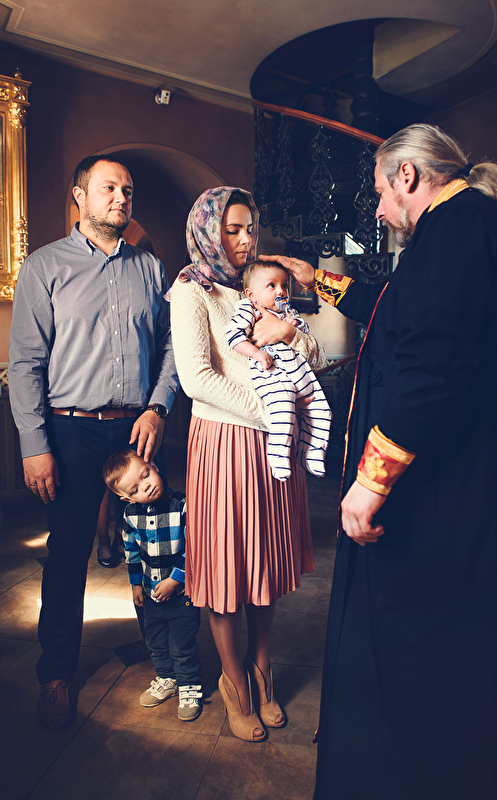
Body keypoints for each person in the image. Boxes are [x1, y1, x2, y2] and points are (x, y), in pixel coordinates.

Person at [261, 124, 497, 799]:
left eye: (381, 192)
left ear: (408, 176)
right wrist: (318, 281)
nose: (380, 210)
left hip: (446, 480)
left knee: (425, 642)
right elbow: (392, 308)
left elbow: (431, 364)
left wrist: (370, 480)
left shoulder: (456, 230)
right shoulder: (470, 223)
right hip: (471, 466)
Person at [8, 155, 178, 730]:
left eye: (128, 190)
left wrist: (157, 407)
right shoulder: (45, 266)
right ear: (79, 196)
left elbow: (172, 347)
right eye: (109, 188)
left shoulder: (151, 269)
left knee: (157, 546)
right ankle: (56, 674)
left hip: (137, 428)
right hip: (71, 429)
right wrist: (35, 444)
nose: (121, 198)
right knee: (68, 552)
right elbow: (26, 362)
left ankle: (170, 663)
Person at [169, 186, 325, 742]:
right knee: (226, 569)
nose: (244, 239)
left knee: (264, 568)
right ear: (209, 231)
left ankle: (263, 675)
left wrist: (290, 332)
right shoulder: (191, 290)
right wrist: (274, 411)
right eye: (232, 229)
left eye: (250, 228)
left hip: (271, 448)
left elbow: (313, 355)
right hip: (225, 442)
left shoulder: (263, 284)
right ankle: (235, 685)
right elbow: (197, 379)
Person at [103, 449, 202, 721]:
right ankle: (167, 678)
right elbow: (132, 553)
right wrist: (136, 585)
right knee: (156, 641)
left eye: (145, 475)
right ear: (126, 498)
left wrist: (175, 580)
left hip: (182, 595)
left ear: (154, 466)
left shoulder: (183, 505)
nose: (145, 486)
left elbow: (195, 548)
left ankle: (189, 685)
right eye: (135, 489)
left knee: (182, 644)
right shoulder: (130, 515)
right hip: (150, 596)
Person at [226, 260, 331, 481]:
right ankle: (278, 455)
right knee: (283, 407)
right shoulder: (249, 309)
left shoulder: (288, 311)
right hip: (271, 371)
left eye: (284, 285)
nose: (281, 291)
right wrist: (256, 353)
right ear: (251, 294)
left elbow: (306, 335)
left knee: (322, 409)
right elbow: (233, 337)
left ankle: (311, 453)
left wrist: (294, 325)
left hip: (298, 370)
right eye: (272, 286)